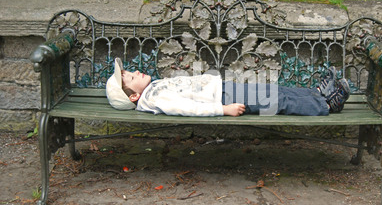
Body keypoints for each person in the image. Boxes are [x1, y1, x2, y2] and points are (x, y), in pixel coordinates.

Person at [106, 58, 350, 117]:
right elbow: (186, 107)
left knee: (275, 92)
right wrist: (223, 110)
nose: (135, 71)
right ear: (134, 96)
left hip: (222, 89)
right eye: (129, 77)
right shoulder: (155, 97)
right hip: (223, 97)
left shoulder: (152, 89)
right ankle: (327, 104)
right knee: (276, 100)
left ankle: (318, 94)